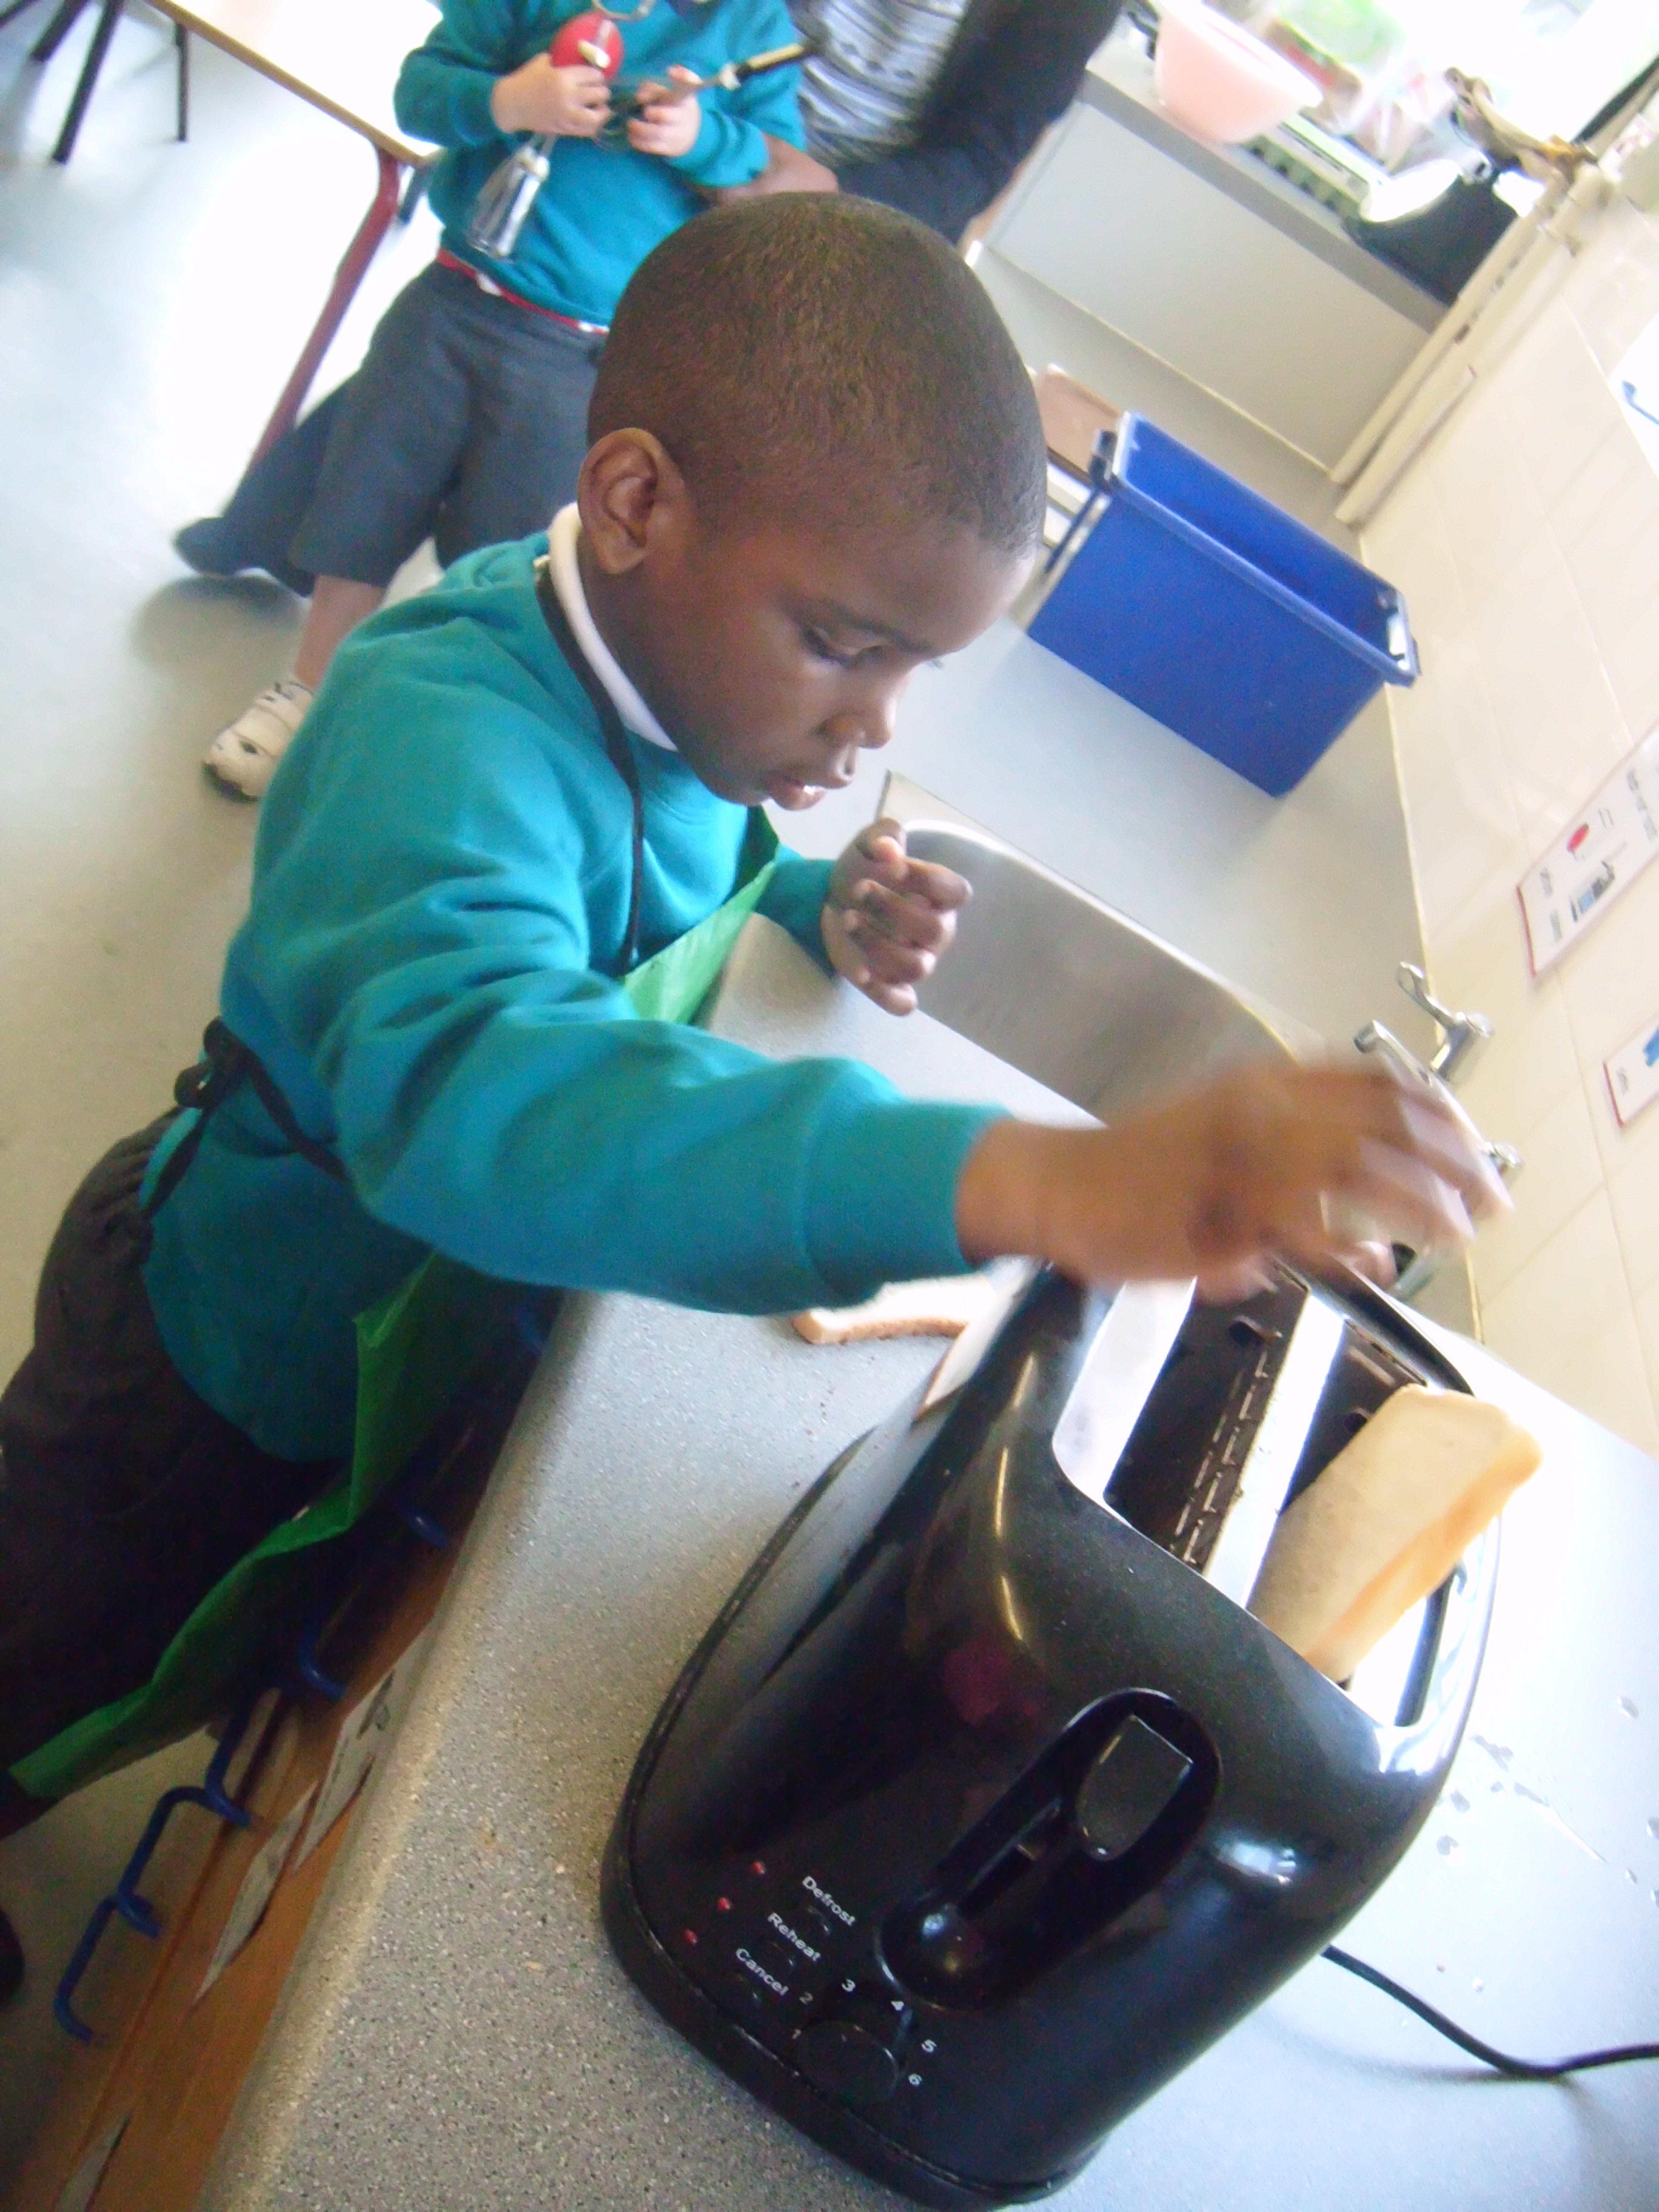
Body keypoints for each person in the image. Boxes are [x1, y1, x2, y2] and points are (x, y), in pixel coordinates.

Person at [187, 0, 804, 800]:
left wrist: (702, 139)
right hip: (454, 304)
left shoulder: (752, 25)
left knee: (499, 568)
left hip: (582, 357)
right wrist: (509, 100)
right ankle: (308, 690)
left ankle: (394, 723)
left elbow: (772, 175)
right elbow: (420, 90)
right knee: (360, 509)